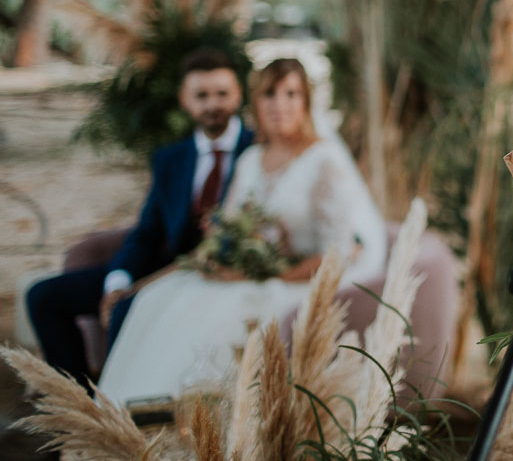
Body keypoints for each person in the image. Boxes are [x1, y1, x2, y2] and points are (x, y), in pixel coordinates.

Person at [96, 57, 388, 403]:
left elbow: (335, 255)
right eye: (270, 94)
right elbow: (221, 236)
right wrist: (145, 282)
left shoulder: (324, 160)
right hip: (245, 273)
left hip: (292, 282)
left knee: (220, 312)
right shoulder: (250, 160)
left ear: (306, 101)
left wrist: (270, 276)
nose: (280, 105)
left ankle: (199, 431)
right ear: (256, 102)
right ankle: (134, 419)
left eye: (291, 94)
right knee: (156, 299)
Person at [26, 47, 254, 390]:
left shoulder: (258, 151)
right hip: (159, 268)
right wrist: (118, 280)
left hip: (219, 274)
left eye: (222, 93)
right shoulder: (171, 159)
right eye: (201, 95)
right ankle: (79, 409)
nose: (212, 104)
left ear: (238, 95)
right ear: (185, 100)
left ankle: (117, 401)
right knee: (42, 297)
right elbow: (146, 231)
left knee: (128, 307)